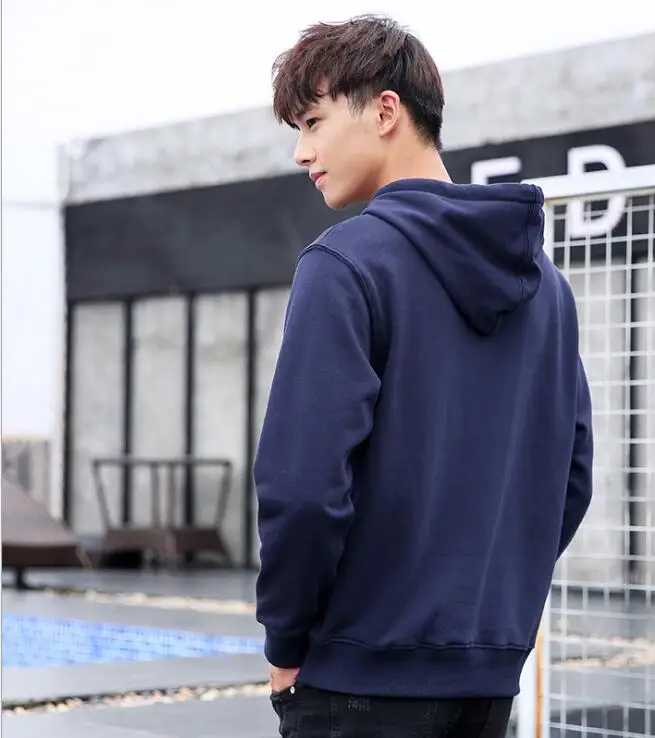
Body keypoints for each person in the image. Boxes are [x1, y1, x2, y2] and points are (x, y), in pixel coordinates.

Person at [254, 14, 593, 738]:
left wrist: (286, 641)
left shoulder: (343, 266)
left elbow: (303, 488)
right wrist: (490, 616)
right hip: (488, 677)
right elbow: (570, 478)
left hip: (354, 677)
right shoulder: (548, 288)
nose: (300, 151)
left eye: (312, 122)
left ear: (385, 111)